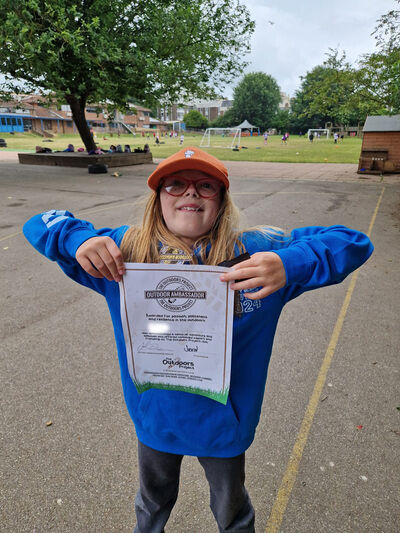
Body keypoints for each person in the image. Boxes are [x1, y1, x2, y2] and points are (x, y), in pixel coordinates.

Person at [23, 147, 373, 533]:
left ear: (222, 201)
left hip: (225, 426)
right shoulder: (125, 255)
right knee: (152, 503)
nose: (190, 193)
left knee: (232, 512)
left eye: (205, 186)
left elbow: (354, 242)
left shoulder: (257, 255)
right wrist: (77, 240)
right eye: (175, 184)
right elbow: (40, 223)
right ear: (158, 199)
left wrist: (292, 263)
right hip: (155, 419)